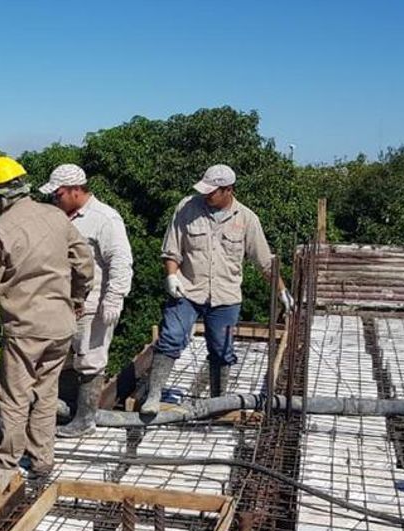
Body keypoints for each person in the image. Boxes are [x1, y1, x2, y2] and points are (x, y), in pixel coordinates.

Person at [0, 157, 94, 479]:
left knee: (14, 397)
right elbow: (85, 264)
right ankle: (42, 459)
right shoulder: (56, 217)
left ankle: (6, 460)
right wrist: (77, 299)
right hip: (61, 326)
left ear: (1, 197)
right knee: (46, 394)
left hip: (25, 328)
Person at [141, 164, 294, 414]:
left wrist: (281, 291)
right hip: (188, 290)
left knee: (222, 351)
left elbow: (265, 262)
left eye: (211, 192)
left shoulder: (246, 219)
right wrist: (171, 276)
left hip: (225, 296)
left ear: (228, 190)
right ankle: (154, 394)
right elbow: (171, 249)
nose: (206, 195)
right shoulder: (187, 208)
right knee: (171, 337)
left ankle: (217, 401)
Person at [38, 164, 133, 438]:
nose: (54, 199)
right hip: (62, 304)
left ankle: (85, 420)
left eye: (58, 194)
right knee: (65, 360)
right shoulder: (59, 216)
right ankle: (67, 412)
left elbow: (120, 261)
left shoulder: (104, 219)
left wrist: (114, 298)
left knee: (90, 360)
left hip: (92, 305)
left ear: (76, 190)